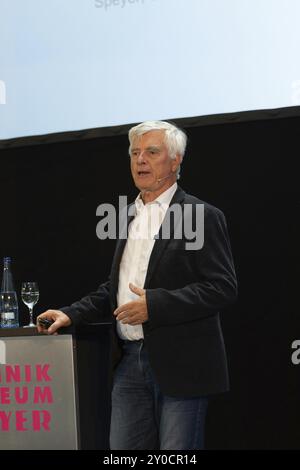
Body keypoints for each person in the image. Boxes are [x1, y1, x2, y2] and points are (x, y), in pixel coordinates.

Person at [37, 120, 237, 450]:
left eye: (152, 152)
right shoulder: (126, 215)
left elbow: (222, 286)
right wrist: (70, 313)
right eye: (134, 152)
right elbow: (114, 289)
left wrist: (153, 306)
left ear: (176, 160)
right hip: (129, 362)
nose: (140, 160)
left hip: (182, 364)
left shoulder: (201, 215)